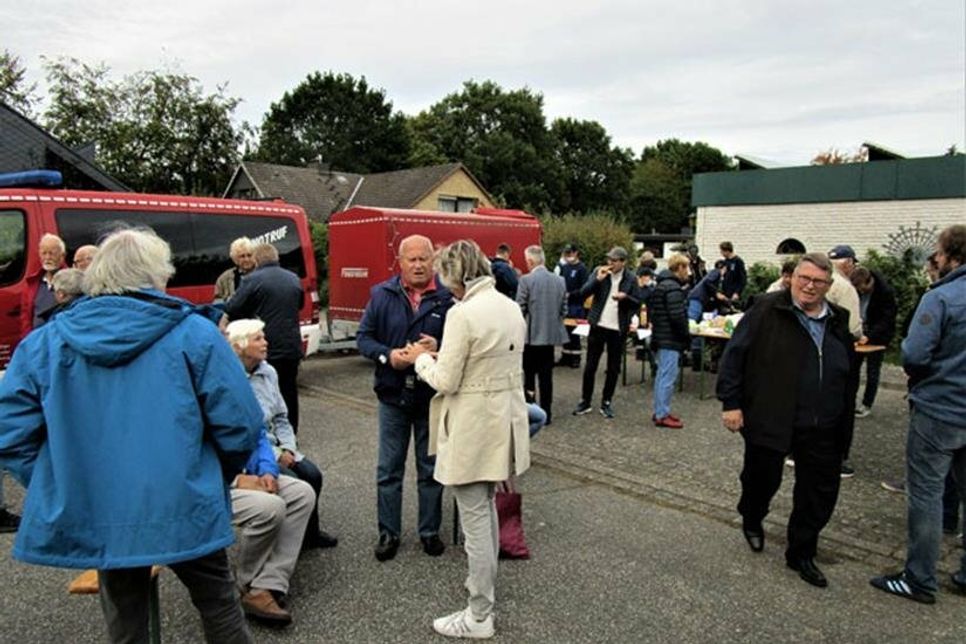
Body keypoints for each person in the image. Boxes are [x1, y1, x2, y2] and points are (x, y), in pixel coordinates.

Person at [0, 227, 263, 643]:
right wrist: (213, 474)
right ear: (157, 275)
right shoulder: (195, 335)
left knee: (126, 625)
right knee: (219, 606)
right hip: (185, 499)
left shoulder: (44, 343)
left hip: (102, 508)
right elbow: (241, 424)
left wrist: (63, 482)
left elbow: (10, 433)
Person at [407, 239, 530, 640]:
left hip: (474, 426)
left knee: (475, 521)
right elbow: (486, 360)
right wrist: (444, 353)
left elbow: (446, 381)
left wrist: (421, 361)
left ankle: (479, 614)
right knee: (486, 510)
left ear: (455, 275)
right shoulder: (509, 306)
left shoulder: (462, 313)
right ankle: (482, 591)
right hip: (503, 422)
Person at [718, 252, 855, 589]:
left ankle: (801, 552)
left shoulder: (838, 319)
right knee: (761, 479)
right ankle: (753, 517)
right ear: (792, 278)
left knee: (818, 492)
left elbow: (849, 372)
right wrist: (731, 403)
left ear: (828, 285)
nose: (809, 286)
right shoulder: (767, 309)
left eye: (818, 281)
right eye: (803, 278)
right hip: (773, 414)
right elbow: (734, 355)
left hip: (823, 423)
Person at [870, 224, 966, 604]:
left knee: (926, 492)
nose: (935, 259)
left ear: (951, 256)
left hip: (940, 409)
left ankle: (919, 578)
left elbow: (914, 354)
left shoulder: (940, 297)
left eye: (938, 252)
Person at [356, 234, 452, 561]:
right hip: (392, 395)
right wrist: (388, 356)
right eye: (412, 259)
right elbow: (364, 338)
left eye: (424, 258)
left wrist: (439, 347)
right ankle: (388, 532)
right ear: (400, 262)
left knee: (430, 468)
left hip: (430, 397)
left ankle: (429, 531)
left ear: (433, 260)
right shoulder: (381, 294)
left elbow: (462, 345)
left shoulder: (448, 299)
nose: (418, 265)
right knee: (389, 469)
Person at [227, 318, 338, 552]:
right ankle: (281, 543)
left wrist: (288, 448)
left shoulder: (269, 372)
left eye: (264, 337)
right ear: (240, 346)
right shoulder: (230, 380)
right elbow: (247, 433)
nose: (265, 343)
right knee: (293, 480)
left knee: (313, 474)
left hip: (278, 444)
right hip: (254, 451)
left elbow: (281, 417)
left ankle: (308, 535)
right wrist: (276, 455)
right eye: (258, 339)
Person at [229, 426, 314, 625]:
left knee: (302, 493)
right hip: (209, 487)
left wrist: (267, 471)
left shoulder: (243, 404)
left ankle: (268, 582)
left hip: (249, 475)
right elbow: (186, 458)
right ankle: (246, 585)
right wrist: (236, 481)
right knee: (271, 507)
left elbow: (259, 436)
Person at [225, 242, 304, 433]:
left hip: (265, 345)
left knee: (265, 390)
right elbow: (300, 304)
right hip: (291, 345)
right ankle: (291, 434)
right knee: (289, 391)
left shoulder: (252, 280)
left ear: (257, 260)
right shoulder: (293, 278)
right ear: (277, 258)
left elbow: (233, 308)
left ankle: (269, 434)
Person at [572, 246, 639, 420]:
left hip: (618, 328)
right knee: (590, 366)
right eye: (609, 259)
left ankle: (606, 402)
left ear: (623, 262)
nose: (610, 263)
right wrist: (597, 280)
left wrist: (626, 298)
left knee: (613, 368)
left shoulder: (631, 278)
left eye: (614, 261)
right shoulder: (599, 272)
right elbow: (583, 293)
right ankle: (585, 401)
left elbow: (637, 302)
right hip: (598, 325)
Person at [515, 245, 568, 425]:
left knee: (529, 376)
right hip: (550, 337)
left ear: (530, 261)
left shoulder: (525, 280)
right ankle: (547, 412)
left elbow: (519, 308)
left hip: (530, 337)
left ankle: (532, 411)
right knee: (547, 377)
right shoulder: (560, 281)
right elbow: (564, 310)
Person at [849, 266, 897, 418]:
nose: (860, 291)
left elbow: (887, 319)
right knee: (853, 368)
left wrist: (870, 336)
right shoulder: (856, 289)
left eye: (862, 288)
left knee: (873, 370)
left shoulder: (885, 293)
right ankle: (849, 401)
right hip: (860, 333)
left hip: (877, 337)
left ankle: (866, 404)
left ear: (869, 282)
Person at [649, 253, 691, 428]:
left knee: (661, 376)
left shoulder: (661, 286)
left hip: (660, 336)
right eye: (686, 268)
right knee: (668, 377)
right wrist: (685, 335)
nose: (688, 272)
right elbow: (677, 316)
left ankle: (660, 410)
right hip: (670, 338)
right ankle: (662, 414)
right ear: (679, 267)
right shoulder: (673, 289)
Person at [19, 233, 67, 337]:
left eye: (52, 253)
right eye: (44, 253)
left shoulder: (71, 281)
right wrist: (28, 340)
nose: (47, 257)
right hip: (37, 340)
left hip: (60, 339)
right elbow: (25, 317)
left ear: (62, 256)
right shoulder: (32, 283)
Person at [556, 244, 588, 368]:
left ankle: (575, 358)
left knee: (574, 332)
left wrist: (572, 294)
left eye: (570, 253)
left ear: (576, 253)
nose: (568, 256)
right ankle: (565, 356)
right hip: (565, 303)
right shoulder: (565, 268)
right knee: (565, 332)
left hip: (576, 304)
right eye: (566, 253)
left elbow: (585, 288)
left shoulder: (582, 269)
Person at [825, 244, 863, 340]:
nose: (854, 267)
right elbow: (853, 327)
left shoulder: (817, 281)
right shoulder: (845, 287)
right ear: (848, 262)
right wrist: (859, 335)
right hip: (839, 341)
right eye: (854, 264)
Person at [215, 237, 256, 302]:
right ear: (235, 258)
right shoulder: (224, 278)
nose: (246, 259)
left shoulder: (262, 274)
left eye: (249, 255)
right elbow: (217, 303)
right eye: (242, 256)